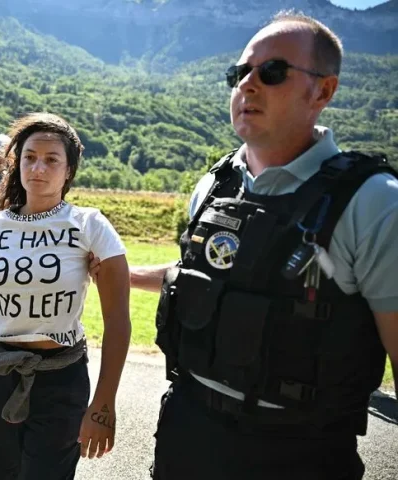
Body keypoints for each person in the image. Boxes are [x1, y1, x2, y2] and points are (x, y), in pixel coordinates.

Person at [115, 12, 398, 480]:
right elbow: (207, 276)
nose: (248, 84)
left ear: (323, 91)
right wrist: (114, 272)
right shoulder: (213, 184)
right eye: (239, 73)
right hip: (187, 437)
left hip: (298, 455)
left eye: (272, 72)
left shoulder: (373, 203)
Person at [0, 112, 131, 479]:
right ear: (16, 165)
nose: (38, 168)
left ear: (69, 170)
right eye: (29, 157)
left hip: (60, 379)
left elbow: (118, 320)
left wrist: (104, 404)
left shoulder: (90, 225)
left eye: (51, 159)